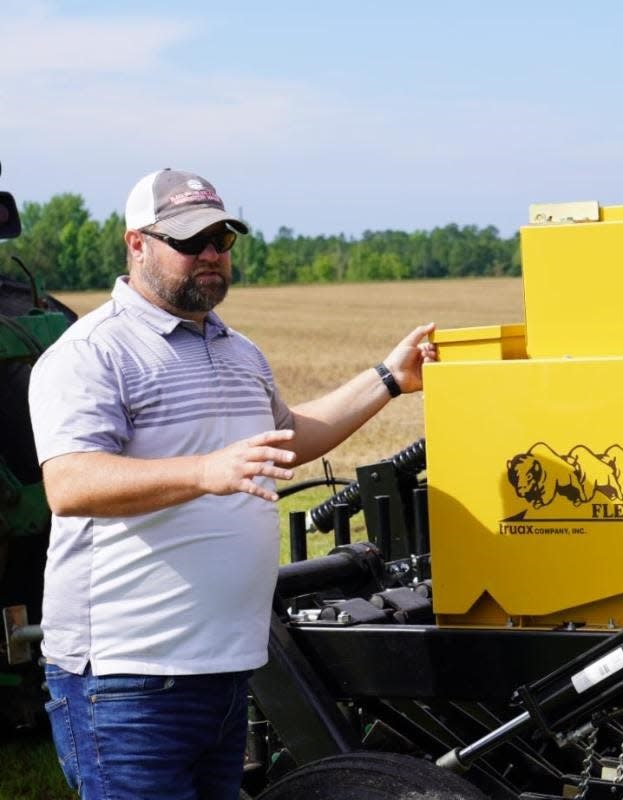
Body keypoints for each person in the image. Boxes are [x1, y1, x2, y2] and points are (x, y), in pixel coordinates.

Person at [28, 168, 438, 799]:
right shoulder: (93, 353)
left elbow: (288, 440)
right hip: (128, 679)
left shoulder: (237, 350)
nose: (212, 255)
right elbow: (72, 482)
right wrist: (205, 471)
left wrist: (387, 378)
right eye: (191, 242)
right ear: (136, 244)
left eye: (222, 239)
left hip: (227, 668)